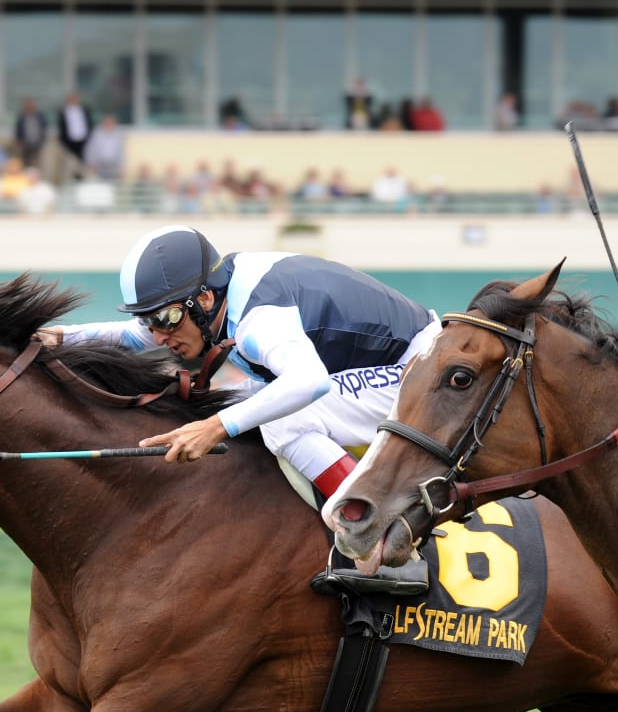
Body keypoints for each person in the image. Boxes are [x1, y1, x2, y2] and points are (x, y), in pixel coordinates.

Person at [40, 224, 439, 594]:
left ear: (205, 299)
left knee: (282, 416)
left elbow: (308, 381)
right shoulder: (220, 293)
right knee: (230, 404)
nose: (160, 336)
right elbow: (132, 337)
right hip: (384, 367)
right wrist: (60, 337)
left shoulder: (258, 319)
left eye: (166, 319)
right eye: (151, 321)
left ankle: (378, 534)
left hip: (422, 373)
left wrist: (215, 427)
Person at [57, 91, 94, 177]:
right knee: (71, 162)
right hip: (70, 142)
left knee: (83, 162)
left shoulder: (84, 110)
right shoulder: (64, 112)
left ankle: (81, 178)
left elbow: (89, 124)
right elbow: (62, 128)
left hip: (83, 141)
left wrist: (88, 137)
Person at [13, 97, 49, 169]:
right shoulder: (22, 117)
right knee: (26, 164)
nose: (29, 107)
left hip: (38, 144)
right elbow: (18, 131)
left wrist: (42, 140)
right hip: (25, 145)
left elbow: (44, 128)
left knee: (37, 164)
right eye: (27, 105)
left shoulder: (39, 116)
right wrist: (20, 142)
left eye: (31, 105)